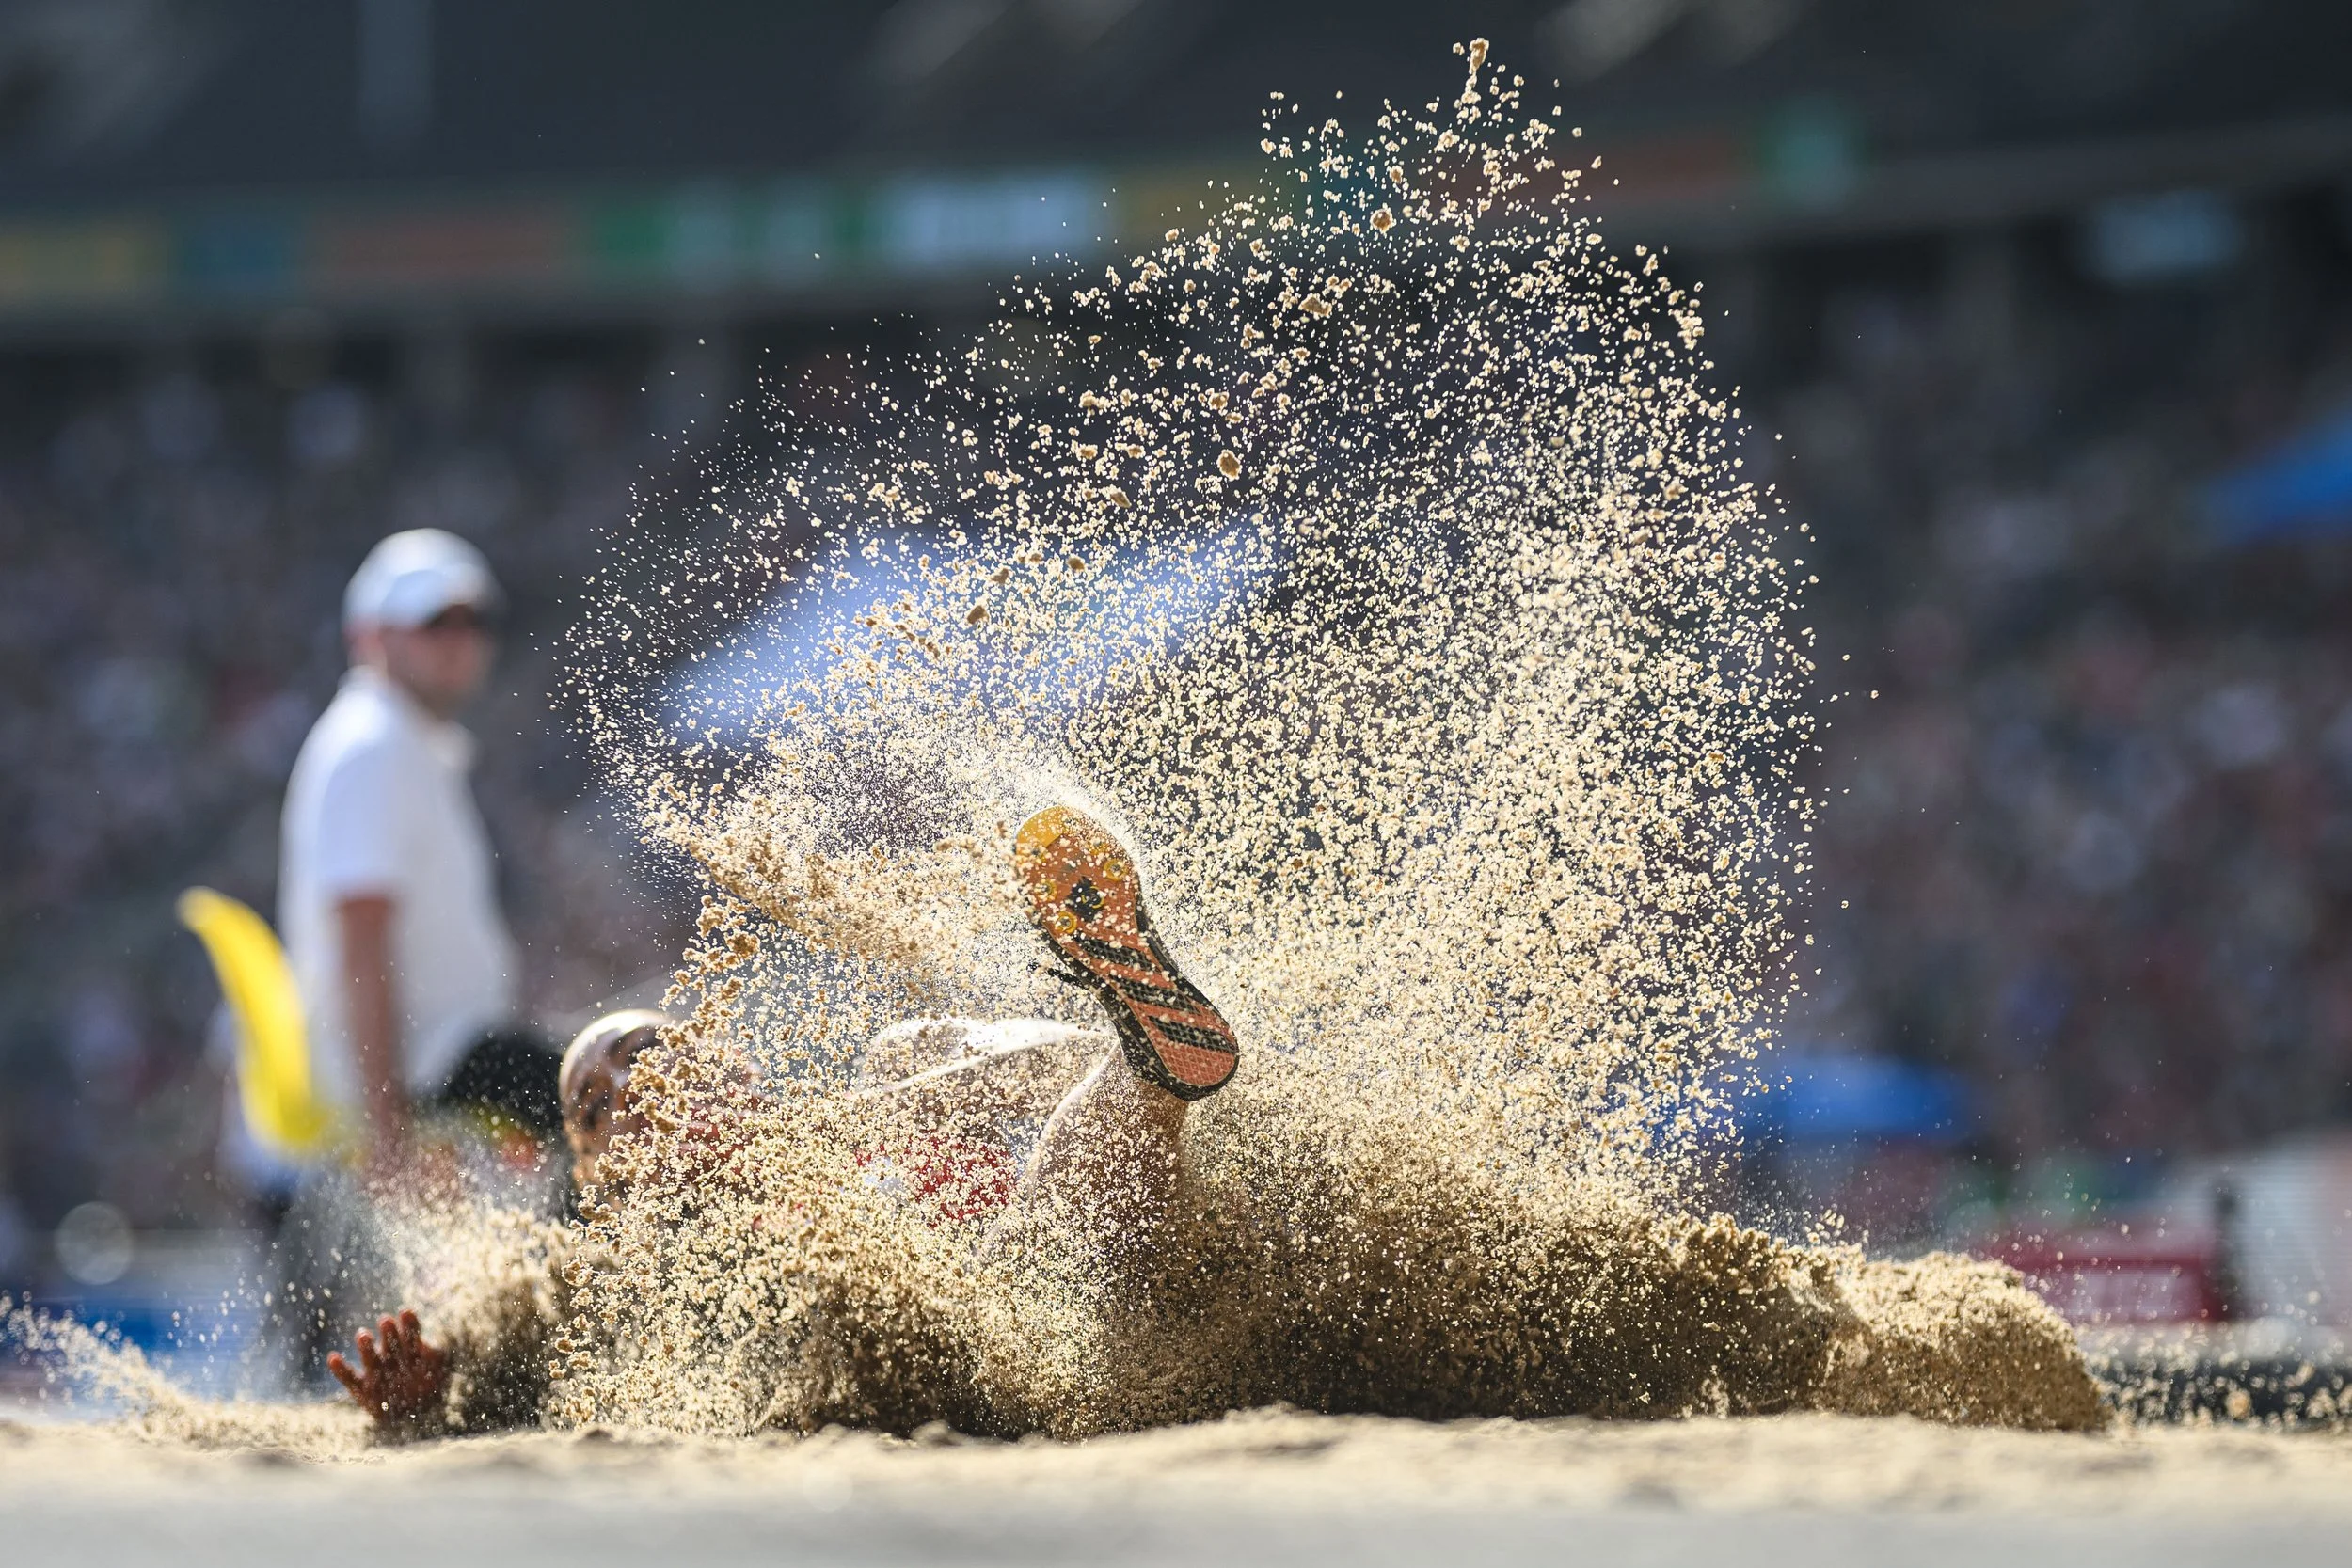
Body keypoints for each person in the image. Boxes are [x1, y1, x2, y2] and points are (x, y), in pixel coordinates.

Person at [328, 804, 1241, 1431]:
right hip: (1028, 1351)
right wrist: (429, 1401)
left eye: (645, 1051)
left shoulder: (889, 1082)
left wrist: (836, 1128)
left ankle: (1142, 1022)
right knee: (1041, 1235)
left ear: (725, 1060)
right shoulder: (614, 1268)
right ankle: (1146, 1054)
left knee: (929, 1049)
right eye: (596, 1108)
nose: (632, 1090)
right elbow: (521, 1364)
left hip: (1126, 1263)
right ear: (594, 1179)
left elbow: (1063, 1066)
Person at [278, 528, 555, 1174]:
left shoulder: (404, 745)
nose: (460, 641)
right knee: (638, 1092)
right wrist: (388, 1134)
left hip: (450, 1066)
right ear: (371, 638)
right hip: (438, 1071)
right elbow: (361, 943)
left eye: (473, 621)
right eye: (435, 622)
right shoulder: (372, 748)